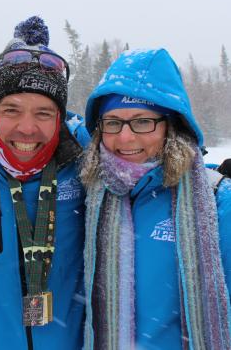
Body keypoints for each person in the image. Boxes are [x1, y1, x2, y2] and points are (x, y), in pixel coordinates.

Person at [0, 16, 89, 350]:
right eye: (11, 110)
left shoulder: (85, 160)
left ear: (60, 117)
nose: (27, 128)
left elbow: (147, 162)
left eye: (43, 113)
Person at [80, 48, 231, 349]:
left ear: (171, 125)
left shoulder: (216, 201)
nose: (125, 137)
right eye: (112, 122)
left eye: (142, 121)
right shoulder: (91, 194)